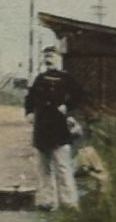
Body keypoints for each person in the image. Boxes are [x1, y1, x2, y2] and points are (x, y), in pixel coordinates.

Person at [24, 46, 88, 211]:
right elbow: (29, 98)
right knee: (43, 169)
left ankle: (69, 203)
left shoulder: (67, 79)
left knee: (63, 167)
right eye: (46, 56)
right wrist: (29, 112)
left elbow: (79, 95)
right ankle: (47, 201)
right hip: (41, 129)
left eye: (51, 56)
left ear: (59, 58)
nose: (48, 59)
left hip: (60, 129)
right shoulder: (40, 78)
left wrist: (67, 106)